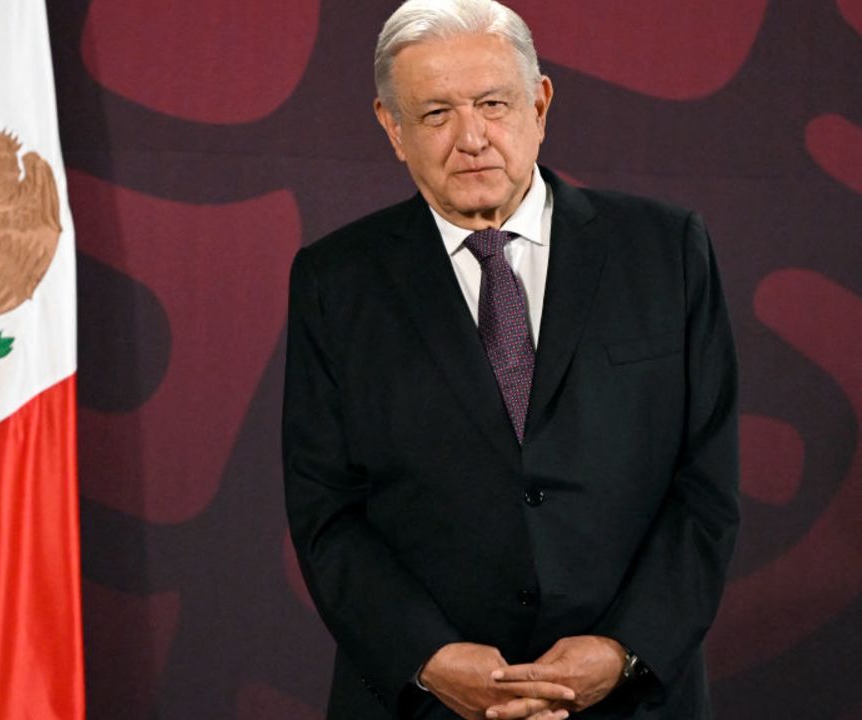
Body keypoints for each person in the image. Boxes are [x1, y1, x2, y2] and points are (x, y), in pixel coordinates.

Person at [281, 1, 740, 718]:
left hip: (634, 698)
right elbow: (325, 510)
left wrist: (624, 651)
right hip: (424, 701)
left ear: (540, 104)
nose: (472, 138)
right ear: (391, 128)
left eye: (493, 104)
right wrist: (429, 661)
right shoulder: (335, 280)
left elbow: (706, 486)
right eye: (435, 114)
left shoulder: (666, 251)